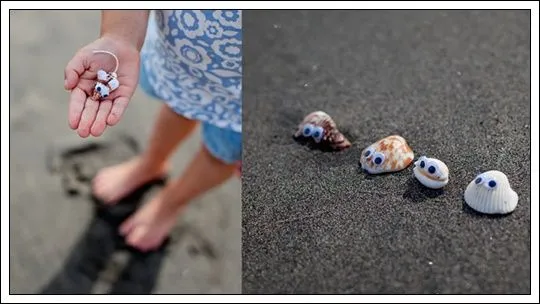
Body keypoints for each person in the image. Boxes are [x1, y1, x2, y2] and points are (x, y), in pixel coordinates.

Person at [64, 10, 242, 251]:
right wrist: (119, 36)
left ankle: (169, 204)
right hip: (183, 67)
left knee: (221, 153)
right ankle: (150, 164)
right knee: (177, 109)